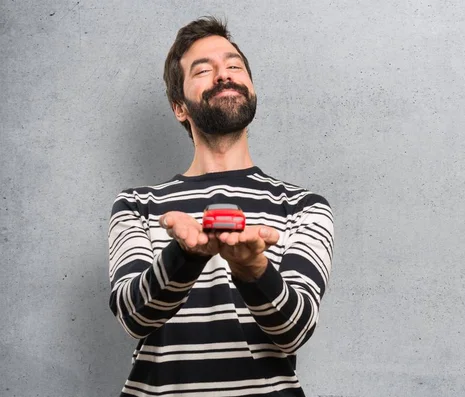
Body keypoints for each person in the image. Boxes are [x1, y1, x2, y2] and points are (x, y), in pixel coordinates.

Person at [107, 16, 334, 397]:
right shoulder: (138, 206)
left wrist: (252, 269)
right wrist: (184, 256)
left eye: (233, 66)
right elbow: (134, 318)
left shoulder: (303, 207)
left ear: (251, 89)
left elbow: (295, 330)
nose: (223, 75)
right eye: (203, 70)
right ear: (180, 107)